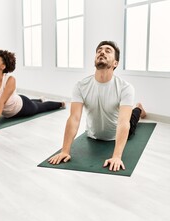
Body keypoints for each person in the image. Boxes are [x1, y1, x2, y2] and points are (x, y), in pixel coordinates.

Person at [48, 41, 146, 172]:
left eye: (108, 50)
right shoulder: (81, 86)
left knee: (132, 119)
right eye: (99, 50)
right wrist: (65, 151)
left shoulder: (125, 88)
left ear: (115, 63)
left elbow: (123, 123)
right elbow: (74, 118)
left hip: (116, 134)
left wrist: (116, 156)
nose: (102, 52)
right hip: (93, 135)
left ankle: (138, 108)